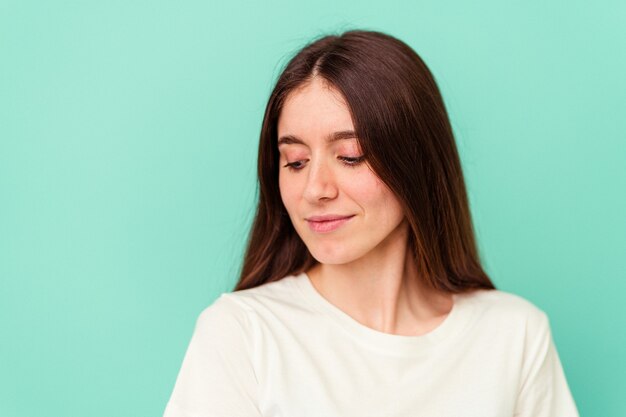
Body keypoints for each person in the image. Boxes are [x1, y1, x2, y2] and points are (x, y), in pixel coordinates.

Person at [163, 29, 579, 417]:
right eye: (295, 161)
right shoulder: (242, 335)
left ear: (415, 162)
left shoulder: (514, 336)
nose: (315, 189)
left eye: (350, 156)